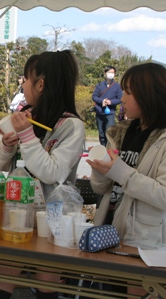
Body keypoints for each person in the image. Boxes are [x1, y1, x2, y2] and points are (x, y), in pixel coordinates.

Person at [0, 50, 85, 299]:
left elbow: (53, 173)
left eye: (25, 79)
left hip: (52, 219)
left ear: (40, 84)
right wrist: (8, 144)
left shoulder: (71, 126)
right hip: (17, 209)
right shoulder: (29, 115)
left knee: (47, 280)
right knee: (1, 275)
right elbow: (2, 164)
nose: (23, 84)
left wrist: (27, 136)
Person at [87, 62, 166, 296]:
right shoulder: (123, 132)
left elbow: (162, 194)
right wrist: (100, 169)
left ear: (148, 96)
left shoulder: (163, 138)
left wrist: (119, 171)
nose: (123, 97)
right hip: (110, 230)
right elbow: (101, 187)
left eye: (129, 92)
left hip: (144, 242)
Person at [92, 66, 122, 146]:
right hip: (99, 111)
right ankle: (103, 147)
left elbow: (120, 99)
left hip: (110, 113)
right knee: (101, 133)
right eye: (109, 72)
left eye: (113, 73)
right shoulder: (99, 85)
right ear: (105, 73)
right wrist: (102, 101)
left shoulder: (117, 86)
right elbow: (94, 96)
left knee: (109, 132)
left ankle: (109, 149)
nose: (111, 74)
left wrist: (110, 102)